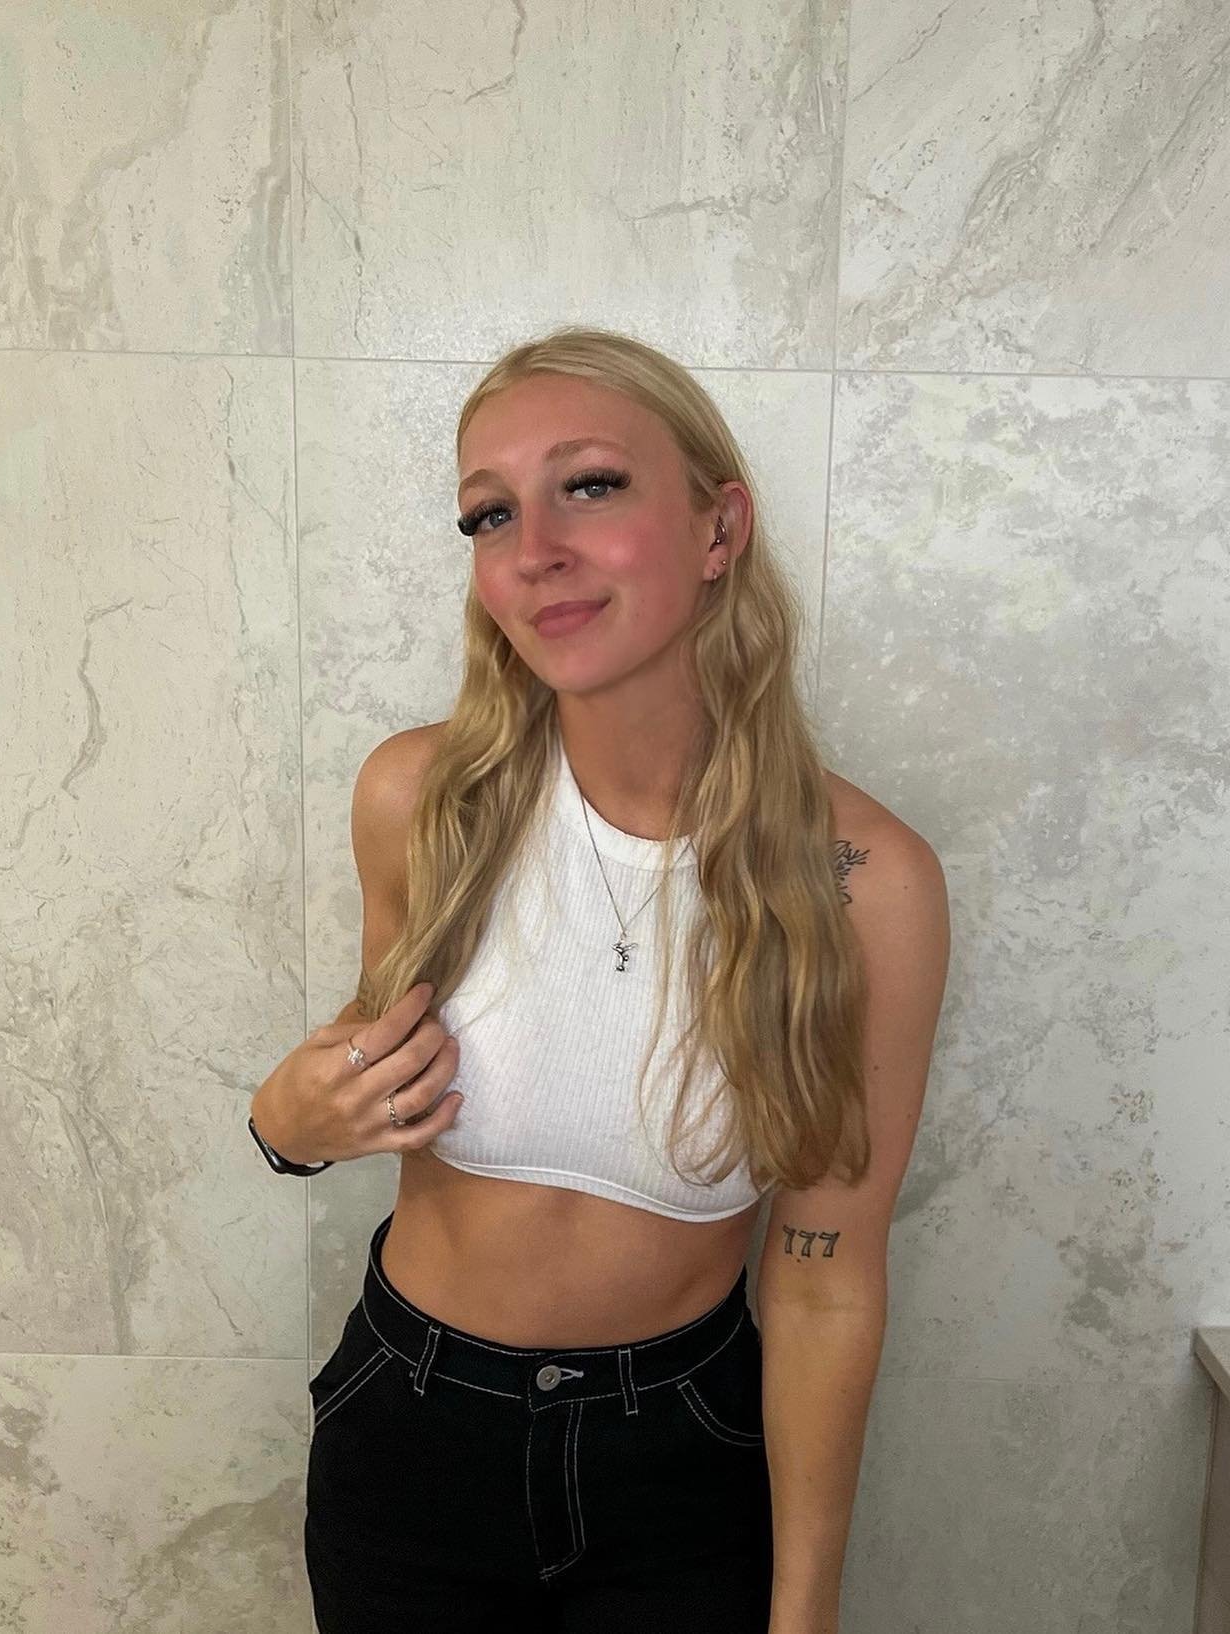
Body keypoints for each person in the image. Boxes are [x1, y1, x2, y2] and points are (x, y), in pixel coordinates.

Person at [250, 324, 949, 1631]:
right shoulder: (421, 801)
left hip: (683, 1464)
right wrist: (285, 1124)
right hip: (411, 1437)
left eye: (590, 485)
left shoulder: (865, 885)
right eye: (490, 513)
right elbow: (348, 1081)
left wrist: (804, 1612)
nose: (534, 550)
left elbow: (825, 1278)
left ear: (718, 527)